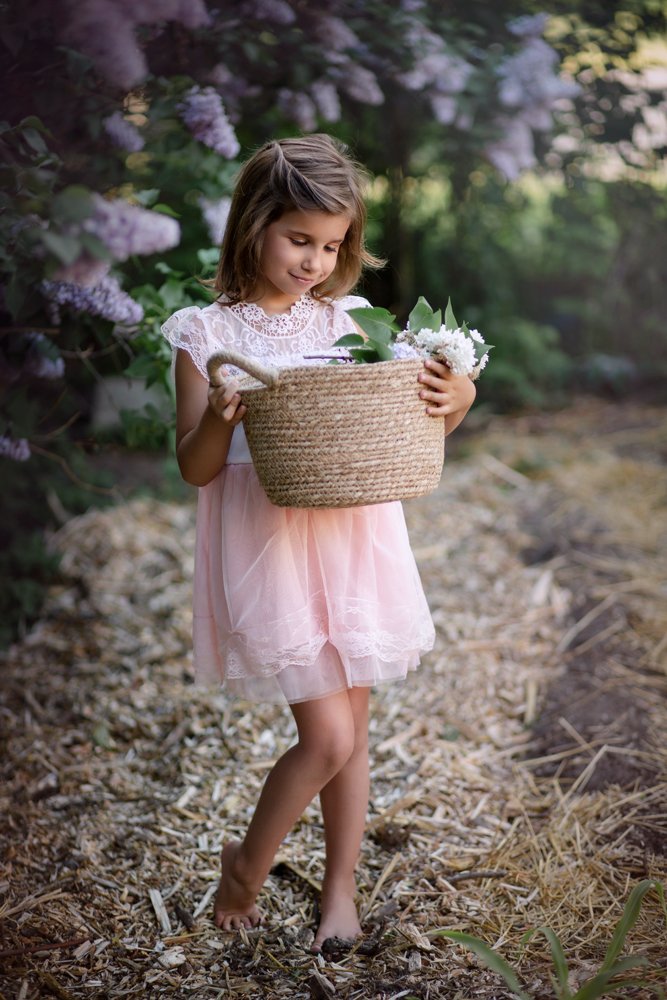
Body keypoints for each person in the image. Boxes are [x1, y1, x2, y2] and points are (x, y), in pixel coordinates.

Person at [161, 134, 476, 951]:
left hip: (353, 533)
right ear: (253, 226)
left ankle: (341, 890)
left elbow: (408, 421)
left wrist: (459, 393)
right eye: (299, 239)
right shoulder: (204, 332)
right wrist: (221, 416)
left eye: (331, 244)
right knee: (327, 736)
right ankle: (246, 866)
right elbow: (195, 468)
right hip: (272, 545)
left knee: (354, 732)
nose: (314, 260)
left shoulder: (347, 320)